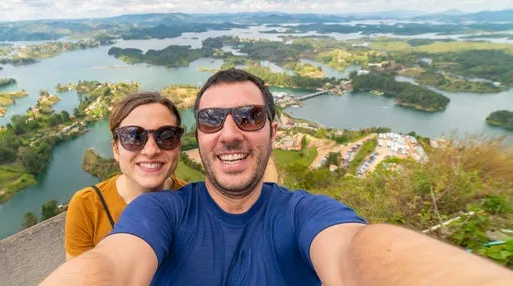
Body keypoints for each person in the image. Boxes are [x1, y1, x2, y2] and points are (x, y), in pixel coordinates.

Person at [45, 70, 513, 285]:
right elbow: (111, 266)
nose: (229, 133)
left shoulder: (306, 213)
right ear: (201, 139)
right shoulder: (160, 212)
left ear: (274, 127)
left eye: (248, 117)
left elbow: (357, 251)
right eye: (212, 120)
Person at [64, 92, 187, 260]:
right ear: (116, 149)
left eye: (166, 136)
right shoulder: (87, 206)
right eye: (134, 137)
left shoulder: (192, 202)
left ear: (178, 146)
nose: (151, 150)